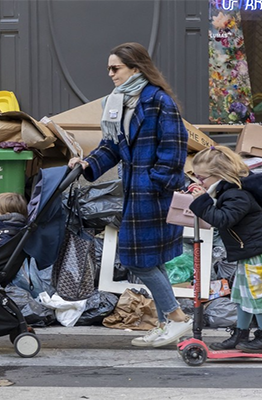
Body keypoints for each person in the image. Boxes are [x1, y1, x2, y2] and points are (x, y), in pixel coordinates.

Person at [68, 42, 191, 347]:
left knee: (138, 260)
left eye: (116, 68)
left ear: (136, 68)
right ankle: (165, 324)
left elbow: (175, 146)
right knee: (152, 259)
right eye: (109, 68)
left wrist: (155, 182)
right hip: (136, 190)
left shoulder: (158, 101)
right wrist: (87, 164)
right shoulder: (120, 102)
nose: (110, 74)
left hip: (152, 192)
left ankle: (177, 319)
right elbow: (112, 146)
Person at [188, 145, 262, 352]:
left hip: (257, 252)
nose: (199, 182)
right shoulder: (228, 190)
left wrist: (202, 202)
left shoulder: (238, 195)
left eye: (202, 178)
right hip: (249, 250)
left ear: (219, 175)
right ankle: (241, 333)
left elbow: (223, 219)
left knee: (258, 295)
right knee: (243, 295)